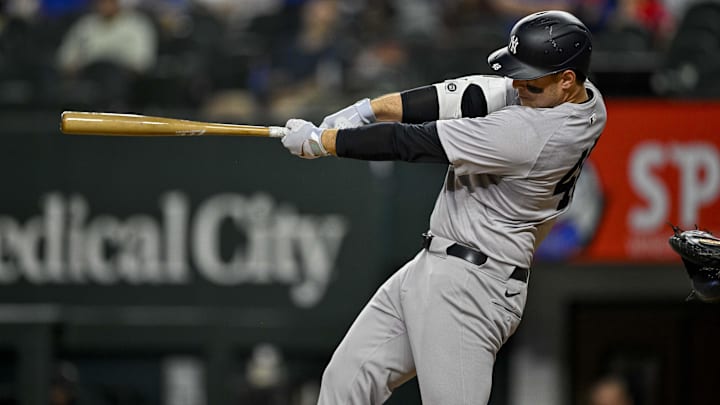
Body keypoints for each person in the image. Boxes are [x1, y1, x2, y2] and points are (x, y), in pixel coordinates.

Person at [281, 10, 607, 405]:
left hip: (474, 285)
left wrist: (327, 141)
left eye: (530, 80)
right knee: (346, 381)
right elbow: (463, 95)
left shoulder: (531, 135)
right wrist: (367, 109)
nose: (518, 86)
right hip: (436, 263)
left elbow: (413, 142)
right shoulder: (584, 98)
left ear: (566, 80)